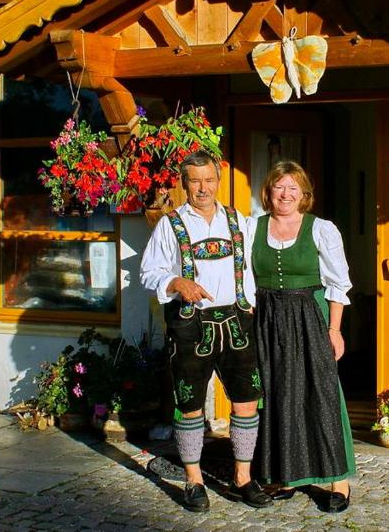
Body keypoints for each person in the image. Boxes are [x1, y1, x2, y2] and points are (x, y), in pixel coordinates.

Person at [140, 151, 272, 513]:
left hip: (237, 321)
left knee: (246, 400)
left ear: (218, 181)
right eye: (195, 181)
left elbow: (258, 264)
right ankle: (194, 481)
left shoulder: (238, 220)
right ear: (184, 183)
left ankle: (242, 478)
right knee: (190, 403)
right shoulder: (170, 224)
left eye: (209, 180)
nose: (203, 188)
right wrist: (175, 281)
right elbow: (148, 272)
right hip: (190, 324)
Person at [252, 160, 355, 513]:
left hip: (309, 315)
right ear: (269, 192)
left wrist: (335, 329)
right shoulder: (253, 227)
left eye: (292, 187)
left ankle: (337, 479)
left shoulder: (321, 229)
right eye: (279, 186)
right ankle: (285, 476)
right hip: (266, 318)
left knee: (321, 392)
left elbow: (338, 283)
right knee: (276, 393)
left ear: (304, 194)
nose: (285, 193)